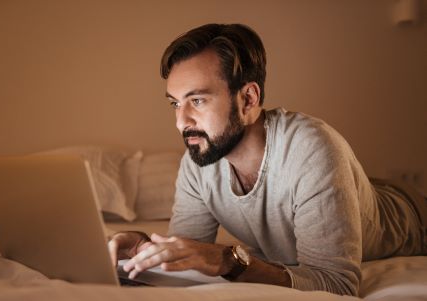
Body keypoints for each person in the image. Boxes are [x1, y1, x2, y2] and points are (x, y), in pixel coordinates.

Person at [108, 23, 426, 296]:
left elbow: (337, 285)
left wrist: (229, 260)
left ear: (248, 99)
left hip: (412, 215)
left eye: (198, 100)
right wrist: (142, 246)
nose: (181, 122)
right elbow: (187, 252)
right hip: (354, 193)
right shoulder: (198, 162)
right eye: (175, 104)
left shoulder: (311, 148)